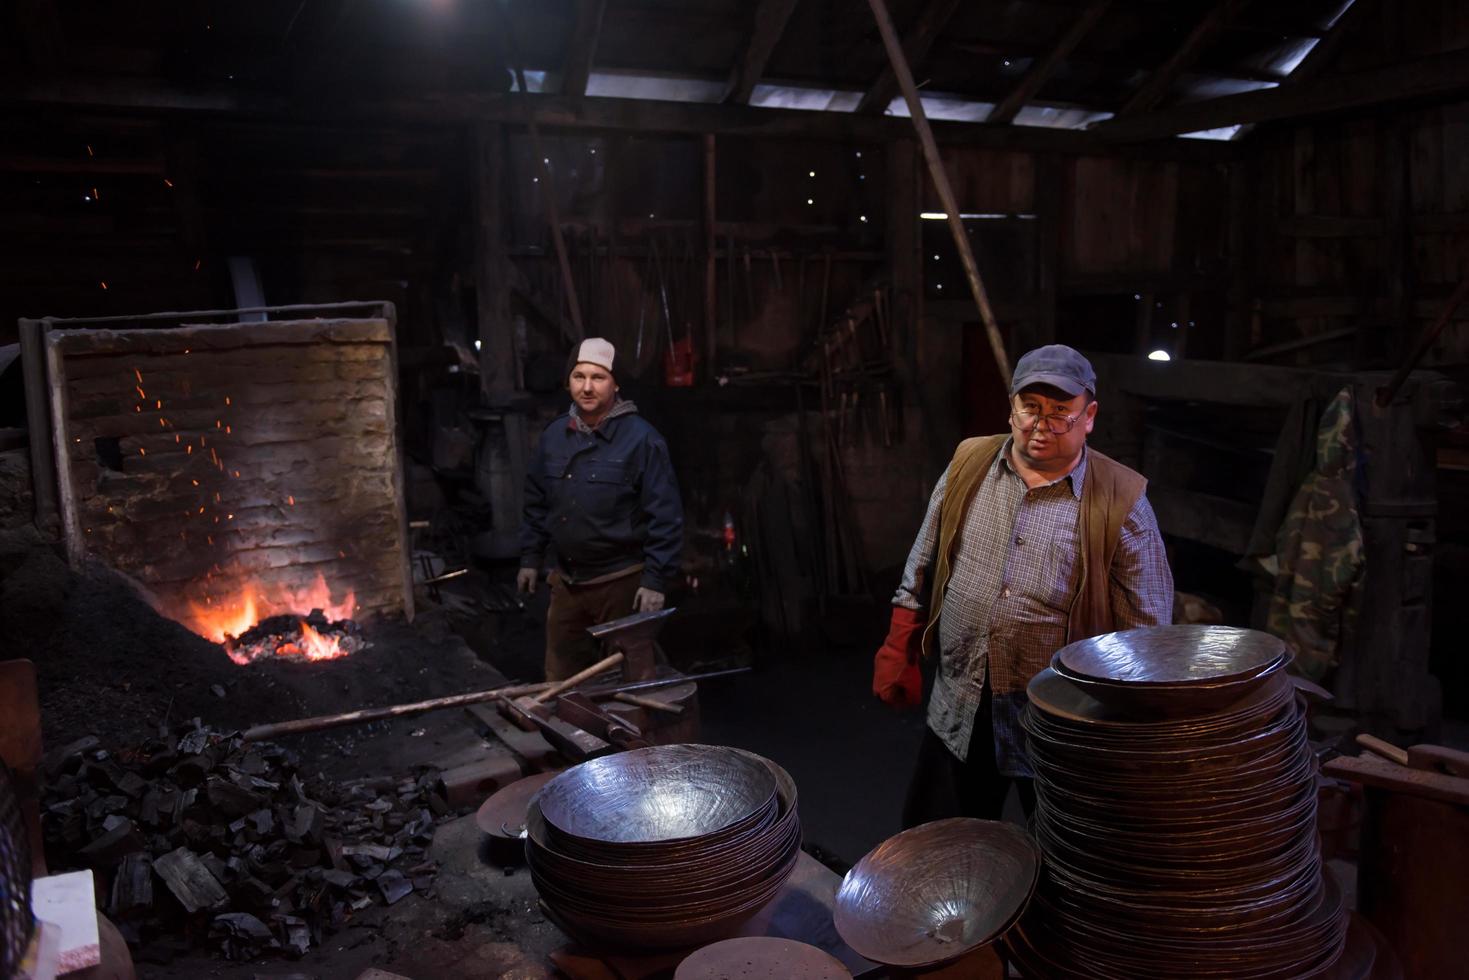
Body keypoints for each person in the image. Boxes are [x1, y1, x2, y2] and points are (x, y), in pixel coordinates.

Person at [872, 344, 1173, 826]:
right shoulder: (969, 463)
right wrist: (898, 643)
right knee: (941, 849)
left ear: (1089, 416)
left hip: (1061, 719)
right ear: (1011, 407)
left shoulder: (1121, 499)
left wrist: (1134, 720)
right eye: (1030, 407)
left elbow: (1146, 626)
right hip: (962, 700)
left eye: (1060, 412)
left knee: (1064, 860)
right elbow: (922, 560)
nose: (1042, 424)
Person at [517, 338, 684, 680]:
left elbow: (665, 515)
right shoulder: (553, 437)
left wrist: (654, 580)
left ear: (616, 383)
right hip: (567, 583)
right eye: (579, 377)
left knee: (629, 682)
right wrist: (530, 559)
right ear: (568, 383)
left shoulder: (642, 439)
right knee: (564, 683)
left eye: (599, 377)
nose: (587, 387)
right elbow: (536, 500)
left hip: (621, 584)